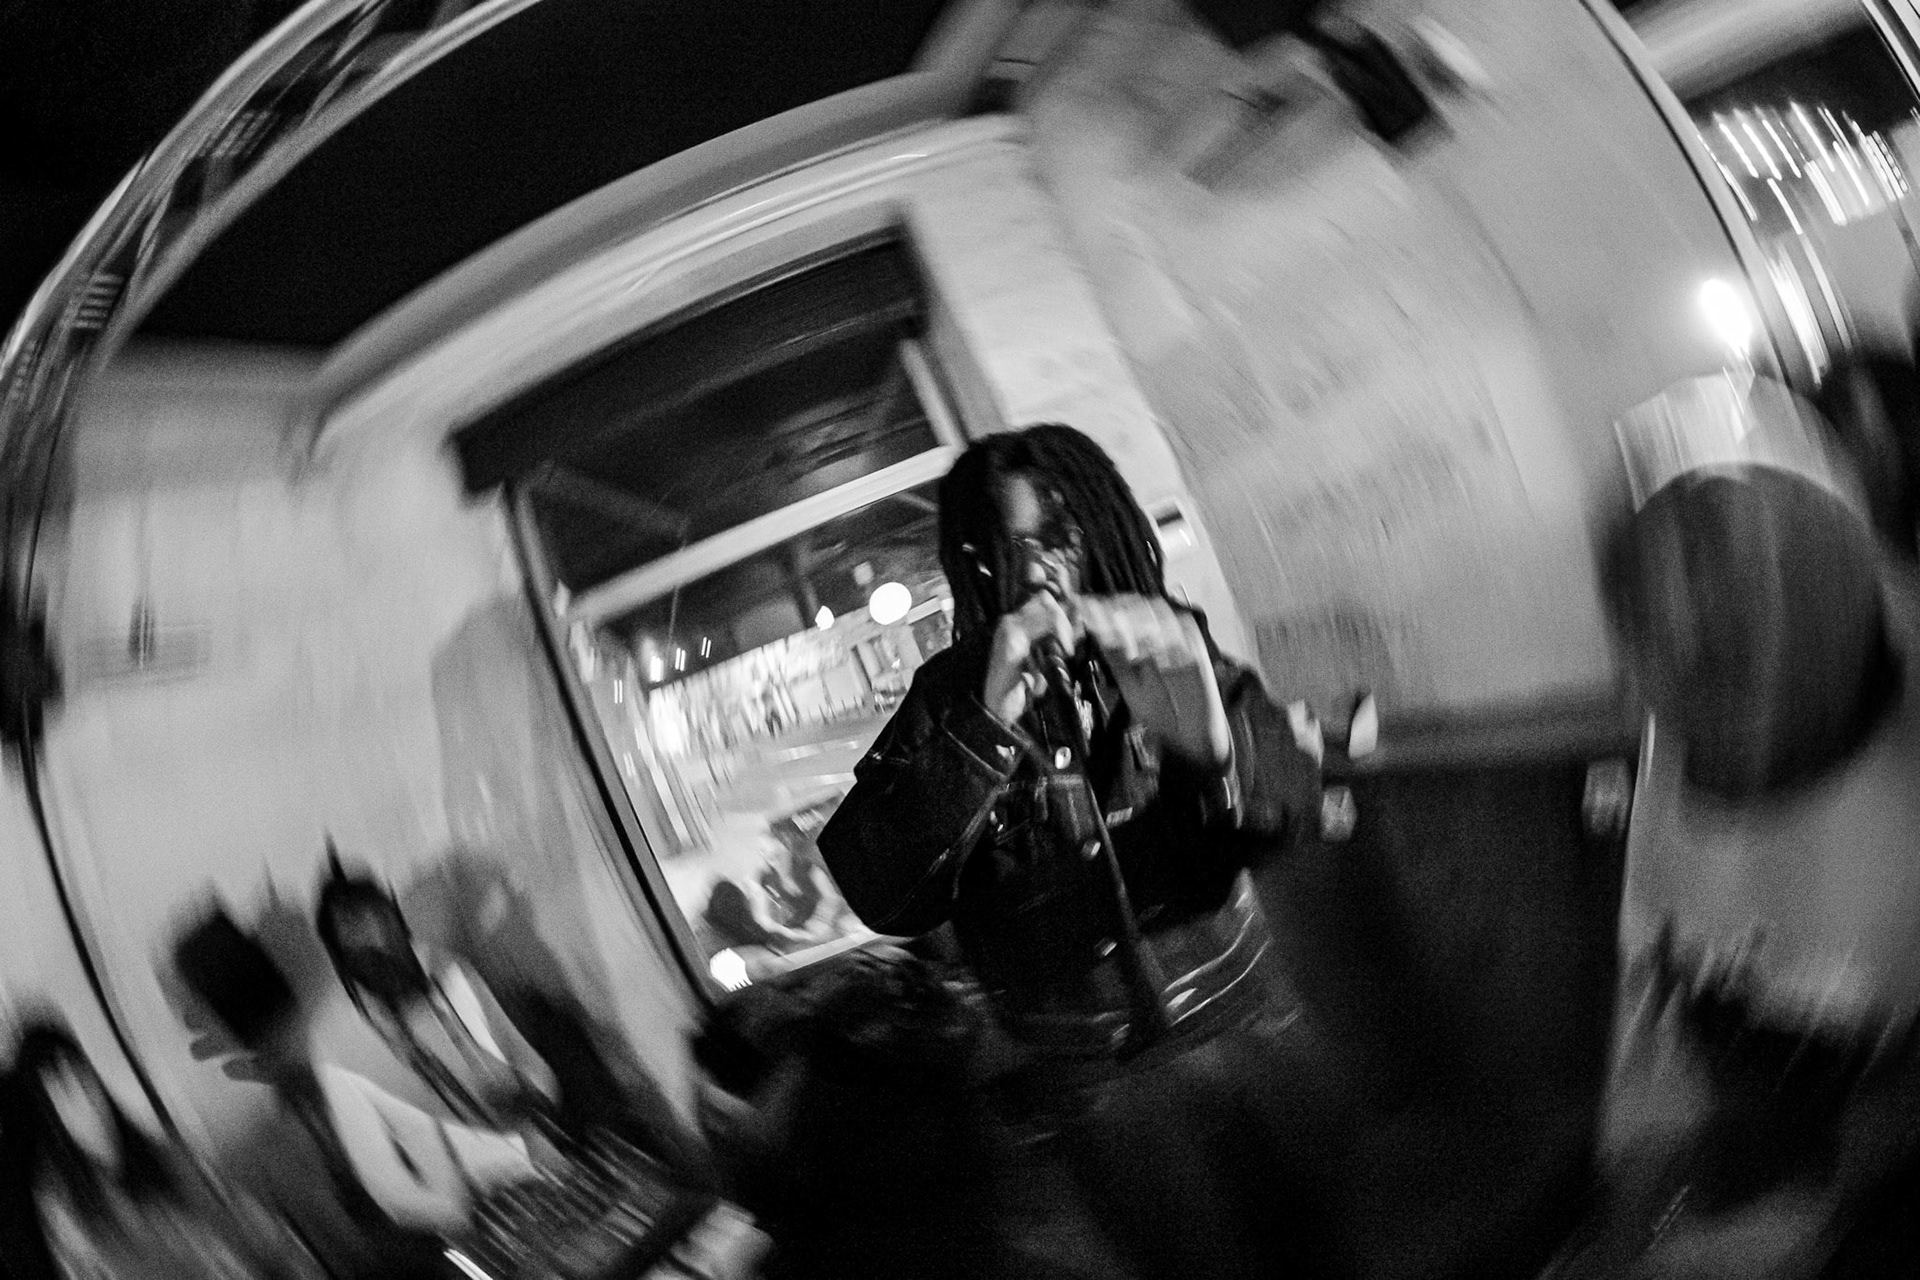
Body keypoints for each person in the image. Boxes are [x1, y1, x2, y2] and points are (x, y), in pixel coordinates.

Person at [817, 424, 1326, 1279]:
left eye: (1057, 534)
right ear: (977, 562)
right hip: (1086, 1085)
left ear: (1100, 524)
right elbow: (880, 888)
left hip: (1243, 1026)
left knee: (1311, 1246)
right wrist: (984, 727)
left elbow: (1297, 803)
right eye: (1005, 545)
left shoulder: (1170, 640)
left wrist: (1212, 752)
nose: (1038, 569)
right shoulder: (951, 694)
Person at [0, 1018, 324, 1280]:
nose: (84, 1097)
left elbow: (254, 1226)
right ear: (49, 1113)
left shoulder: (165, 1155)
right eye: (62, 1089)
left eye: (81, 1075)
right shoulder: (71, 1217)